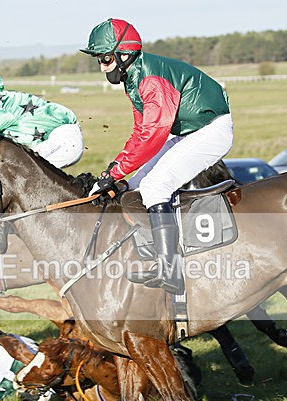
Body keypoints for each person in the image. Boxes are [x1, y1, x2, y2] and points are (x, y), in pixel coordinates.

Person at [80, 19, 233, 295]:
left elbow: (154, 134)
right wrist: (115, 173)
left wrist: (115, 173)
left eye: (104, 59)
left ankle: (170, 269)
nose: (102, 67)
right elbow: (140, 130)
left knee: (155, 186)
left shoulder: (150, 79)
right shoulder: (134, 77)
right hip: (189, 131)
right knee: (136, 184)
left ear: (123, 54)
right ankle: (154, 253)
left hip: (210, 130)